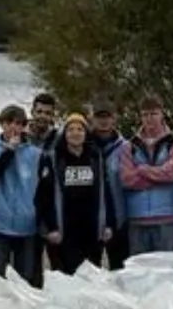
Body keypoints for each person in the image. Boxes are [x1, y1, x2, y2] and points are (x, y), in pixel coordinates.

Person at [40, 113, 116, 276]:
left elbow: (106, 192)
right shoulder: (54, 159)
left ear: (86, 133)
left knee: (92, 275)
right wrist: (51, 227)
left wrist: (108, 223)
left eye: (80, 129)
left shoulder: (96, 158)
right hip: (64, 230)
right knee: (67, 275)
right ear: (64, 134)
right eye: (71, 130)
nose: (75, 133)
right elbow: (45, 196)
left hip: (92, 228)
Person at [0, 104, 42, 283]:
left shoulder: (36, 153)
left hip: (27, 223)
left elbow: (44, 188)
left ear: (23, 126)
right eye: (8, 123)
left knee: (25, 279)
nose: (13, 127)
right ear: (2, 124)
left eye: (18, 123)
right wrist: (9, 151)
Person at [121, 96, 173, 255]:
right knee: (139, 273)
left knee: (166, 271)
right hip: (137, 218)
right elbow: (126, 179)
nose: (149, 118)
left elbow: (172, 174)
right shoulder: (129, 146)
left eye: (153, 113)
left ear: (162, 114)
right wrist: (158, 175)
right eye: (145, 114)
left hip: (166, 218)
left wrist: (142, 169)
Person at [89, 100, 130, 269]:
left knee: (120, 272)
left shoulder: (126, 147)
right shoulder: (83, 146)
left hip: (118, 219)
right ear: (92, 118)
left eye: (107, 116)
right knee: (90, 273)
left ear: (114, 119)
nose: (103, 121)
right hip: (91, 220)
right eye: (99, 116)